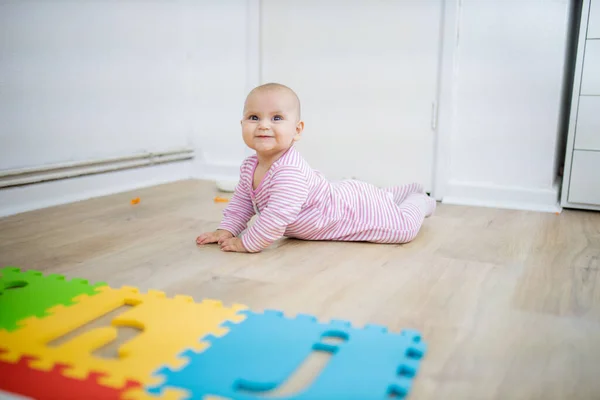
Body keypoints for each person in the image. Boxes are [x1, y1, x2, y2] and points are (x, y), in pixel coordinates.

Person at [196, 83, 436, 253]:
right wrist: (226, 230)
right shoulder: (250, 166)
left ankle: (420, 200)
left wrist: (247, 242)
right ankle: (396, 194)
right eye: (254, 117)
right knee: (383, 198)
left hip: (352, 212)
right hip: (341, 194)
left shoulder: (288, 171)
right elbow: (242, 203)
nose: (264, 126)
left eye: (277, 118)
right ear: (242, 124)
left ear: (297, 130)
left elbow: (276, 217)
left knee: (403, 229)